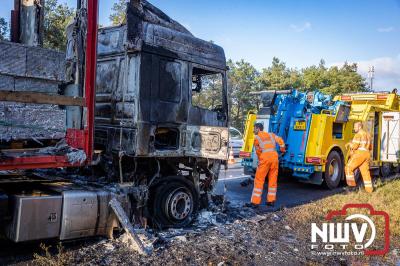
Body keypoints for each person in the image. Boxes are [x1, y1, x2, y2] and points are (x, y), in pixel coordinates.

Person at [245, 123, 285, 208]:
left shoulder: (257, 138)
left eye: (254, 128)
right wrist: (282, 149)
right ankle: (271, 201)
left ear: (258, 129)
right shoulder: (271, 135)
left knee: (259, 180)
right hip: (274, 158)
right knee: (273, 180)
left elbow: (258, 152)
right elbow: (280, 140)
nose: (253, 130)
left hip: (265, 159)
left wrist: (261, 160)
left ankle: (255, 202)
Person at [345, 122, 373, 192]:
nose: (354, 128)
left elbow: (354, 146)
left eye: (355, 127)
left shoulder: (358, 135)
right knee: (365, 172)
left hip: (360, 154)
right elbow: (370, 147)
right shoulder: (368, 135)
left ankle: (351, 188)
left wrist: (349, 144)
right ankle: (369, 190)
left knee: (348, 168)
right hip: (367, 153)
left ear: (359, 127)